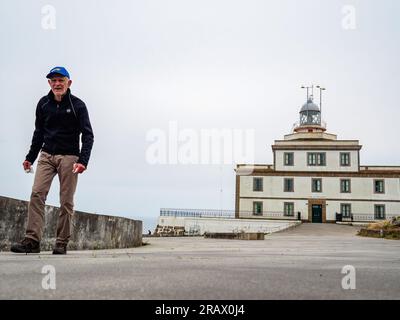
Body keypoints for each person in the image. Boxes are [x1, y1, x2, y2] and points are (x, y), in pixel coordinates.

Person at [11, 66, 94, 255]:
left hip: (70, 157)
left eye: (61, 80)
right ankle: (32, 241)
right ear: (49, 83)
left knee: (66, 200)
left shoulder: (78, 105)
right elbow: (38, 133)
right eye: (53, 80)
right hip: (46, 155)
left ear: (69, 83)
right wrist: (30, 158)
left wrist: (83, 161)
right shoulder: (43, 104)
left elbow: (88, 135)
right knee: (37, 194)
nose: (57, 84)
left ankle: (61, 242)